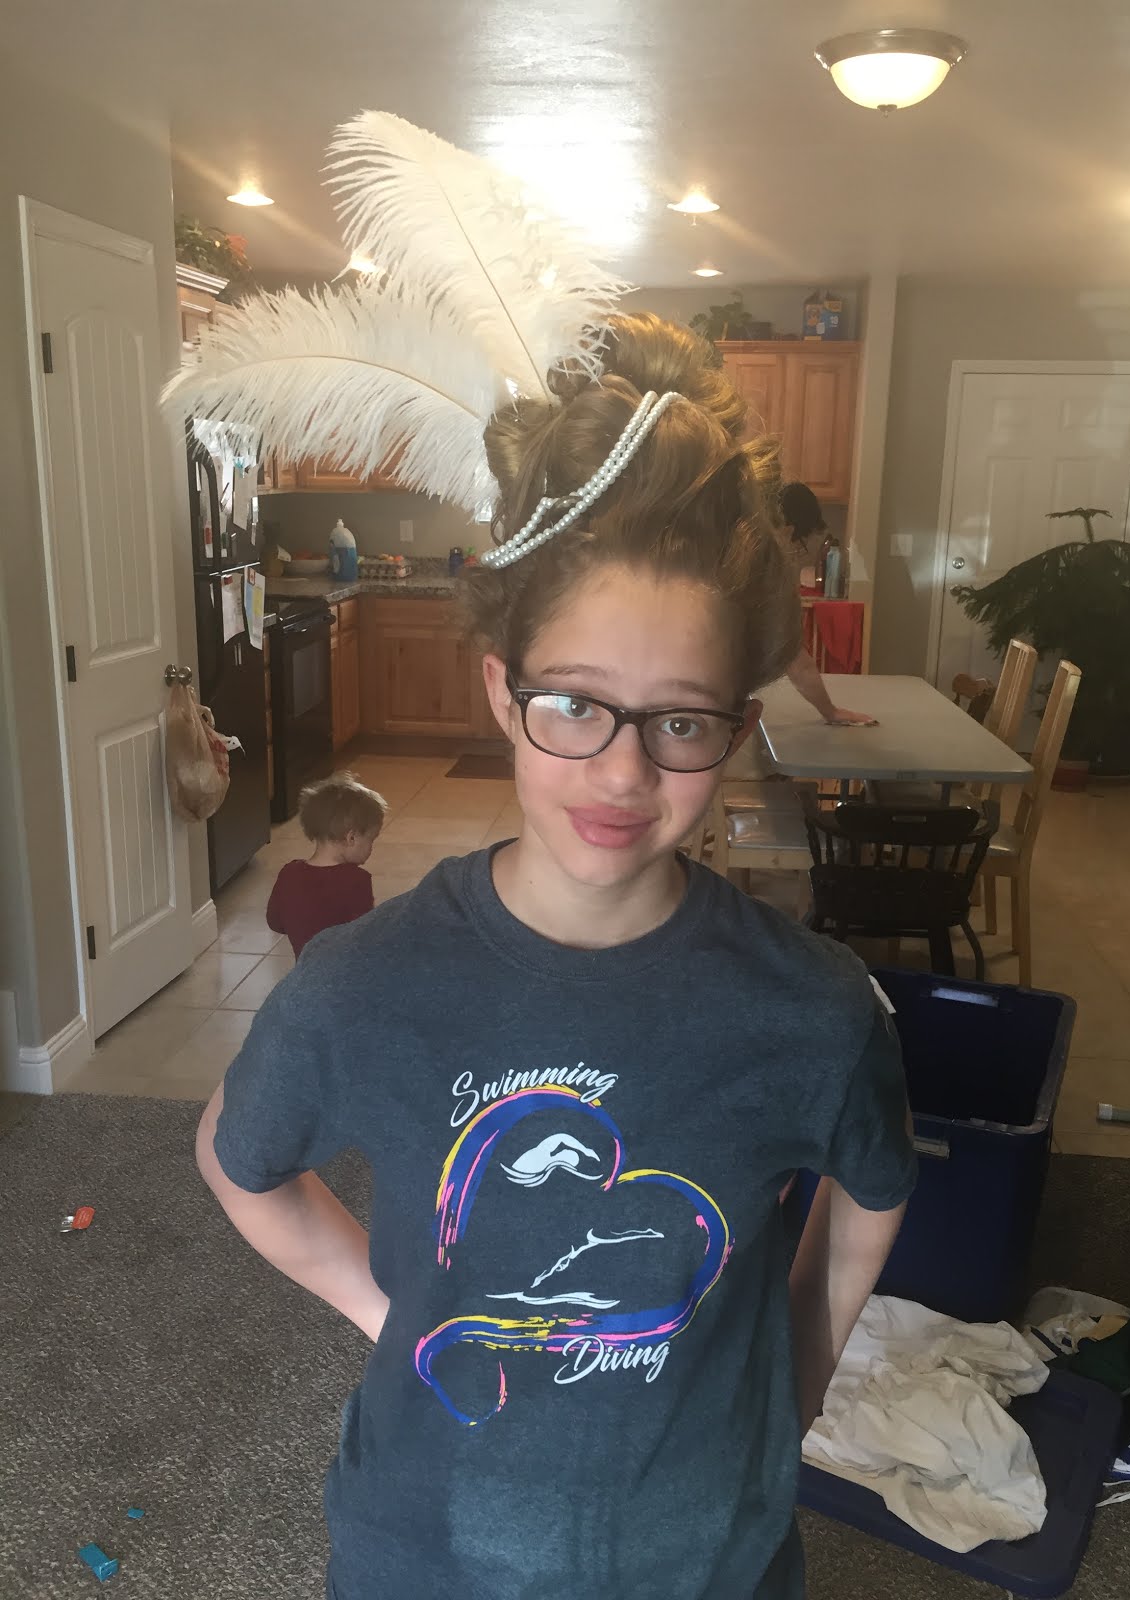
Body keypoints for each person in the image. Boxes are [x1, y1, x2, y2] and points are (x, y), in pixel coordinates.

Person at [195, 313, 916, 1600]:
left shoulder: (814, 1009)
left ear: (737, 725)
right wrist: (387, 1310)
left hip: (707, 1560)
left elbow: (873, 1189)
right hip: (427, 1556)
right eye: (574, 703)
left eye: (679, 722)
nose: (624, 772)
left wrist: (796, 1376)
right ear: (499, 690)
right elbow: (237, 1155)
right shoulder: (365, 984)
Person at [779, 480, 876, 727]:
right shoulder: (769, 576)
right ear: (788, 530)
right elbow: (797, 661)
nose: (795, 550)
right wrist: (831, 712)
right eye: (798, 541)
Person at [265, 773, 386, 958]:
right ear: (351, 838)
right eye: (371, 839)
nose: (371, 847)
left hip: (305, 971)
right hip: (345, 972)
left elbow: (275, 922)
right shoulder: (356, 880)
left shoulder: (289, 874)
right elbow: (365, 938)